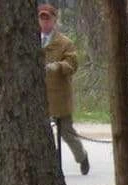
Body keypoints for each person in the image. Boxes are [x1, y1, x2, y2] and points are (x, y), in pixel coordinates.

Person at [38, 3, 89, 175]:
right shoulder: (31, 40)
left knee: (67, 132)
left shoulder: (64, 43)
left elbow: (72, 64)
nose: (44, 22)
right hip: (39, 97)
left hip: (59, 96)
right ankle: (48, 166)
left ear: (54, 20)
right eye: (41, 18)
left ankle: (82, 157)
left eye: (47, 18)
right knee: (40, 134)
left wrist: (58, 66)